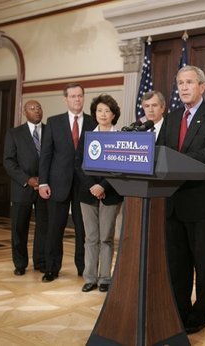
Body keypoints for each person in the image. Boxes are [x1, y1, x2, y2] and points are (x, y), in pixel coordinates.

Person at [156, 65, 205, 334]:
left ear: (202, 86)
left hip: (200, 203)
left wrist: (175, 162)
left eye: (189, 82)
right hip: (173, 202)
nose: (184, 87)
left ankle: (200, 316)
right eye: (180, 83)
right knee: (178, 264)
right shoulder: (172, 118)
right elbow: (159, 151)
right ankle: (179, 310)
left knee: (203, 264)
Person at [38, 82, 96, 282]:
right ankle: (51, 269)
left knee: (83, 229)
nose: (77, 99)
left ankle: (83, 268)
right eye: (73, 96)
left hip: (84, 184)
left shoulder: (92, 122)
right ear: (66, 99)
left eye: (80, 95)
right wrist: (43, 183)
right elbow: (45, 155)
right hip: (57, 183)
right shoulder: (54, 122)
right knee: (55, 228)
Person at [76, 94, 123, 293]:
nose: (103, 114)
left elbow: (120, 166)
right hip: (87, 194)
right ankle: (90, 278)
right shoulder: (87, 136)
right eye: (99, 111)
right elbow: (79, 165)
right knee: (91, 238)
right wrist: (93, 187)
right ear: (94, 114)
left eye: (107, 111)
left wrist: (103, 186)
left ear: (114, 115)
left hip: (110, 193)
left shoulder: (120, 136)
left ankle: (105, 278)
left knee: (106, 237)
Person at [3, 100, 48, 276]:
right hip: (22, 187)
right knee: (19, 228)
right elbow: (8, 161)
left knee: (43, 226)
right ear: (24, 112)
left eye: (39, 107)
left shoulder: (49, 130)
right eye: (32, 108)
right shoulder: (14, 133)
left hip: (44, 187)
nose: (37, 111)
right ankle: (20, 263)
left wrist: (43, 180)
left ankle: (41, 261)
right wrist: (27, 179)